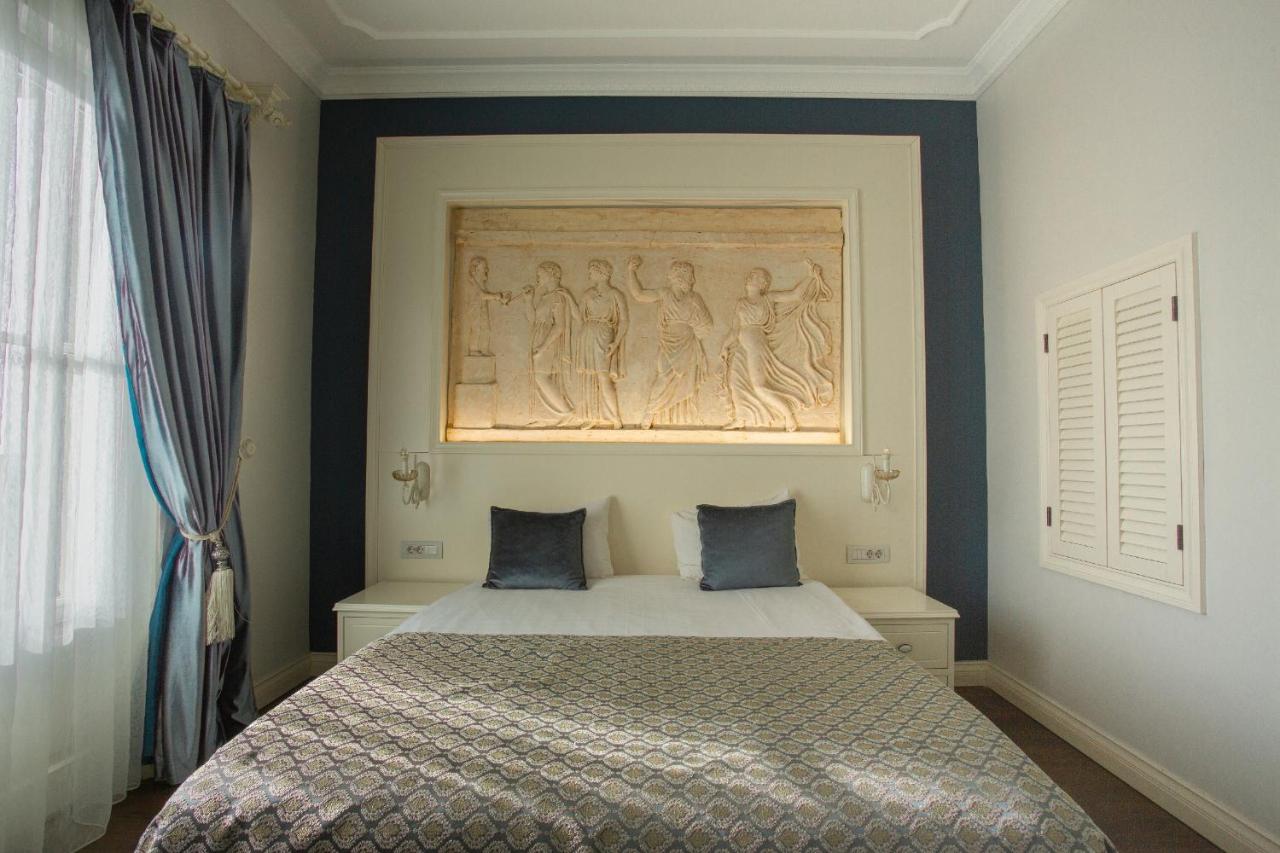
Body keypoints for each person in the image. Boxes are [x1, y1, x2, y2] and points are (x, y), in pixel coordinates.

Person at [720, 267, 816, 431]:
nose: (750, 277)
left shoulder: (768, 298)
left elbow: (795, 295)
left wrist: (811, 276)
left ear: (763, 284)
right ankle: (741, 418)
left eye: (755, 276)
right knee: (736, 383)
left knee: (759, 386)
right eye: (750, 275)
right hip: (742, 348)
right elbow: (735, 330)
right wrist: (724, 346)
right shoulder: (741, 303)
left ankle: (788, 415)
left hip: (756, 346)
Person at [625, 256, 713, 429]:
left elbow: (707, 324)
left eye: (690, 276)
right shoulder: (664, 294)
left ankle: (682, 416)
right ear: (679, 277)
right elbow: (639, 295)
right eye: (689, 276)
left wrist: (694, 328)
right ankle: (650, 410)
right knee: (664, 375)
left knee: (685, 379)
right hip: (668, 341)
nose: (692, 280)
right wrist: (631, 272)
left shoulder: (694, 298)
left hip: (688, 343)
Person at [513, 261, 578, 426]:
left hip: (548, 341)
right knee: (538, 377)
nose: (538, 278)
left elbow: (560, 326)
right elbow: (533, 320)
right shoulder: (545, 297)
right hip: (539, 337)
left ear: (551, 275)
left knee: (541, 376)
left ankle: (567, 412)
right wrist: (528, 300)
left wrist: (543, 347)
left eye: (540, 274)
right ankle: (548, 416)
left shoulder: (558, 296)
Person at [576, 259, 629, 428]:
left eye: (591, 272)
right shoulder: (587, 294)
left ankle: (614, 417)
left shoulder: (615, 294)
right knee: (589, 377)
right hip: (588, 335)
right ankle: (592, 417)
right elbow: (579, 317)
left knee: (603, 377)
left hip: (605, 334)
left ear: (601, 273)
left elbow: (624, 321)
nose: (589, 275)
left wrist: (616, 342)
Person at [462, 257, 509, 356]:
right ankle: (473, 349)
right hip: (475, 310)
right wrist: (497, 296)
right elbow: (482, 295)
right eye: (484, 267)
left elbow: (487, 295)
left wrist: (500, 298)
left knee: (486, 329)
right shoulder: (472, 282)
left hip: (482, 309)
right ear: (476, 269)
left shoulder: (481, 283)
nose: (487, 270)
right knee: (476, 328)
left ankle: (484, 349)